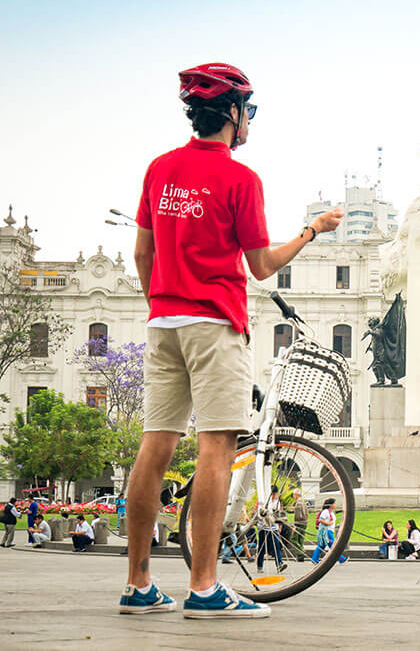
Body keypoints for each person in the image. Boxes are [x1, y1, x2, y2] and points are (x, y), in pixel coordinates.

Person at [121, 62, 343, 619]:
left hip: (163, 324)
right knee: (218, 447)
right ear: (233, 114)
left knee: (156, 445)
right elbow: (263, 265)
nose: (251, 123)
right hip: (215, 324)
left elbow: (142, 256)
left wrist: (162, 305)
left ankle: (138, 584)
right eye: (250, 112)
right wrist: (313, 231)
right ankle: (204, 588)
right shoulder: (239, 178)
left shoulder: (159, 170)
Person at [256, 486, 286, 574]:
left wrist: (279, 526)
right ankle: (260, 566)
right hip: (263, 527)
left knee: (276, 547)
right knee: (262, 547)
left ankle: (279, 564)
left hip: (273, 528)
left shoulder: (277, 503)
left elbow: (278, 515)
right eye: (276, 494)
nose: (277, 496)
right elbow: (259, 514)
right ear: (272, 494)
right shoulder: (264, 501)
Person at [311, 498, 348, 565]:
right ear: (330, 505)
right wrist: (328, 523)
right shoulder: (325, 511)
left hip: (328, 531)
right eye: (334, 503)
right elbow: (320, 520)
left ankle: (314, 559)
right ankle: (341, 559)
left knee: (321, 546)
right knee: (334, 546)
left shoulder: (330, 512)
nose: (335, 505)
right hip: (327, 531)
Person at [290, 488, 308, 561]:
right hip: (305, 523)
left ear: (296, 495)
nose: (293, 496)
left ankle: (300, 552)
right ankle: (300, 556)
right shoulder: (303, 502)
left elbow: (297, 516)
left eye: (294, 494)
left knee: (293, 539)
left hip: (299, 523)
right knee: (301, 540)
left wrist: (295, 525)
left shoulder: (298, 503)